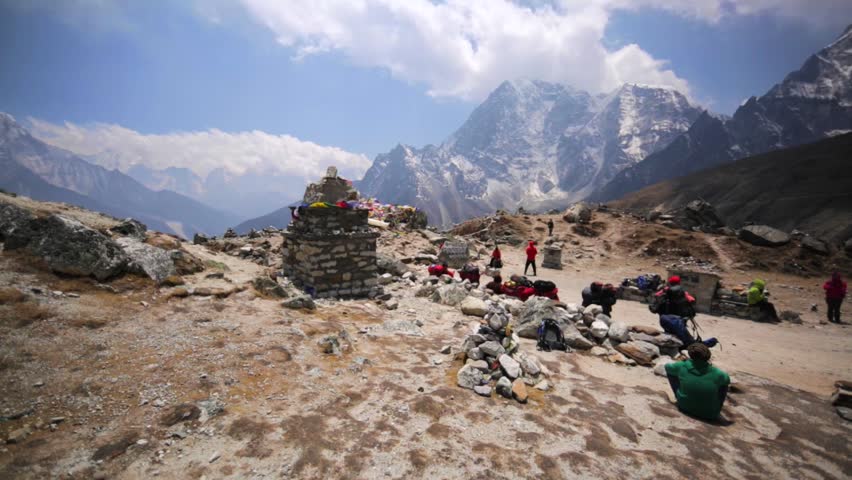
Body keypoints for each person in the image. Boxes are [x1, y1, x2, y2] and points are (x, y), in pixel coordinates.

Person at [665, 343, 730, 421]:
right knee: (723, 386)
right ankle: (715, 405)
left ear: (690, 355)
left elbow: (667, 367)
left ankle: (680, 396)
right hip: (710, 414)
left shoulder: (682, 365)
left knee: (672, 373)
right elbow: (726, 380)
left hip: (683, 406)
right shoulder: (719, 373)